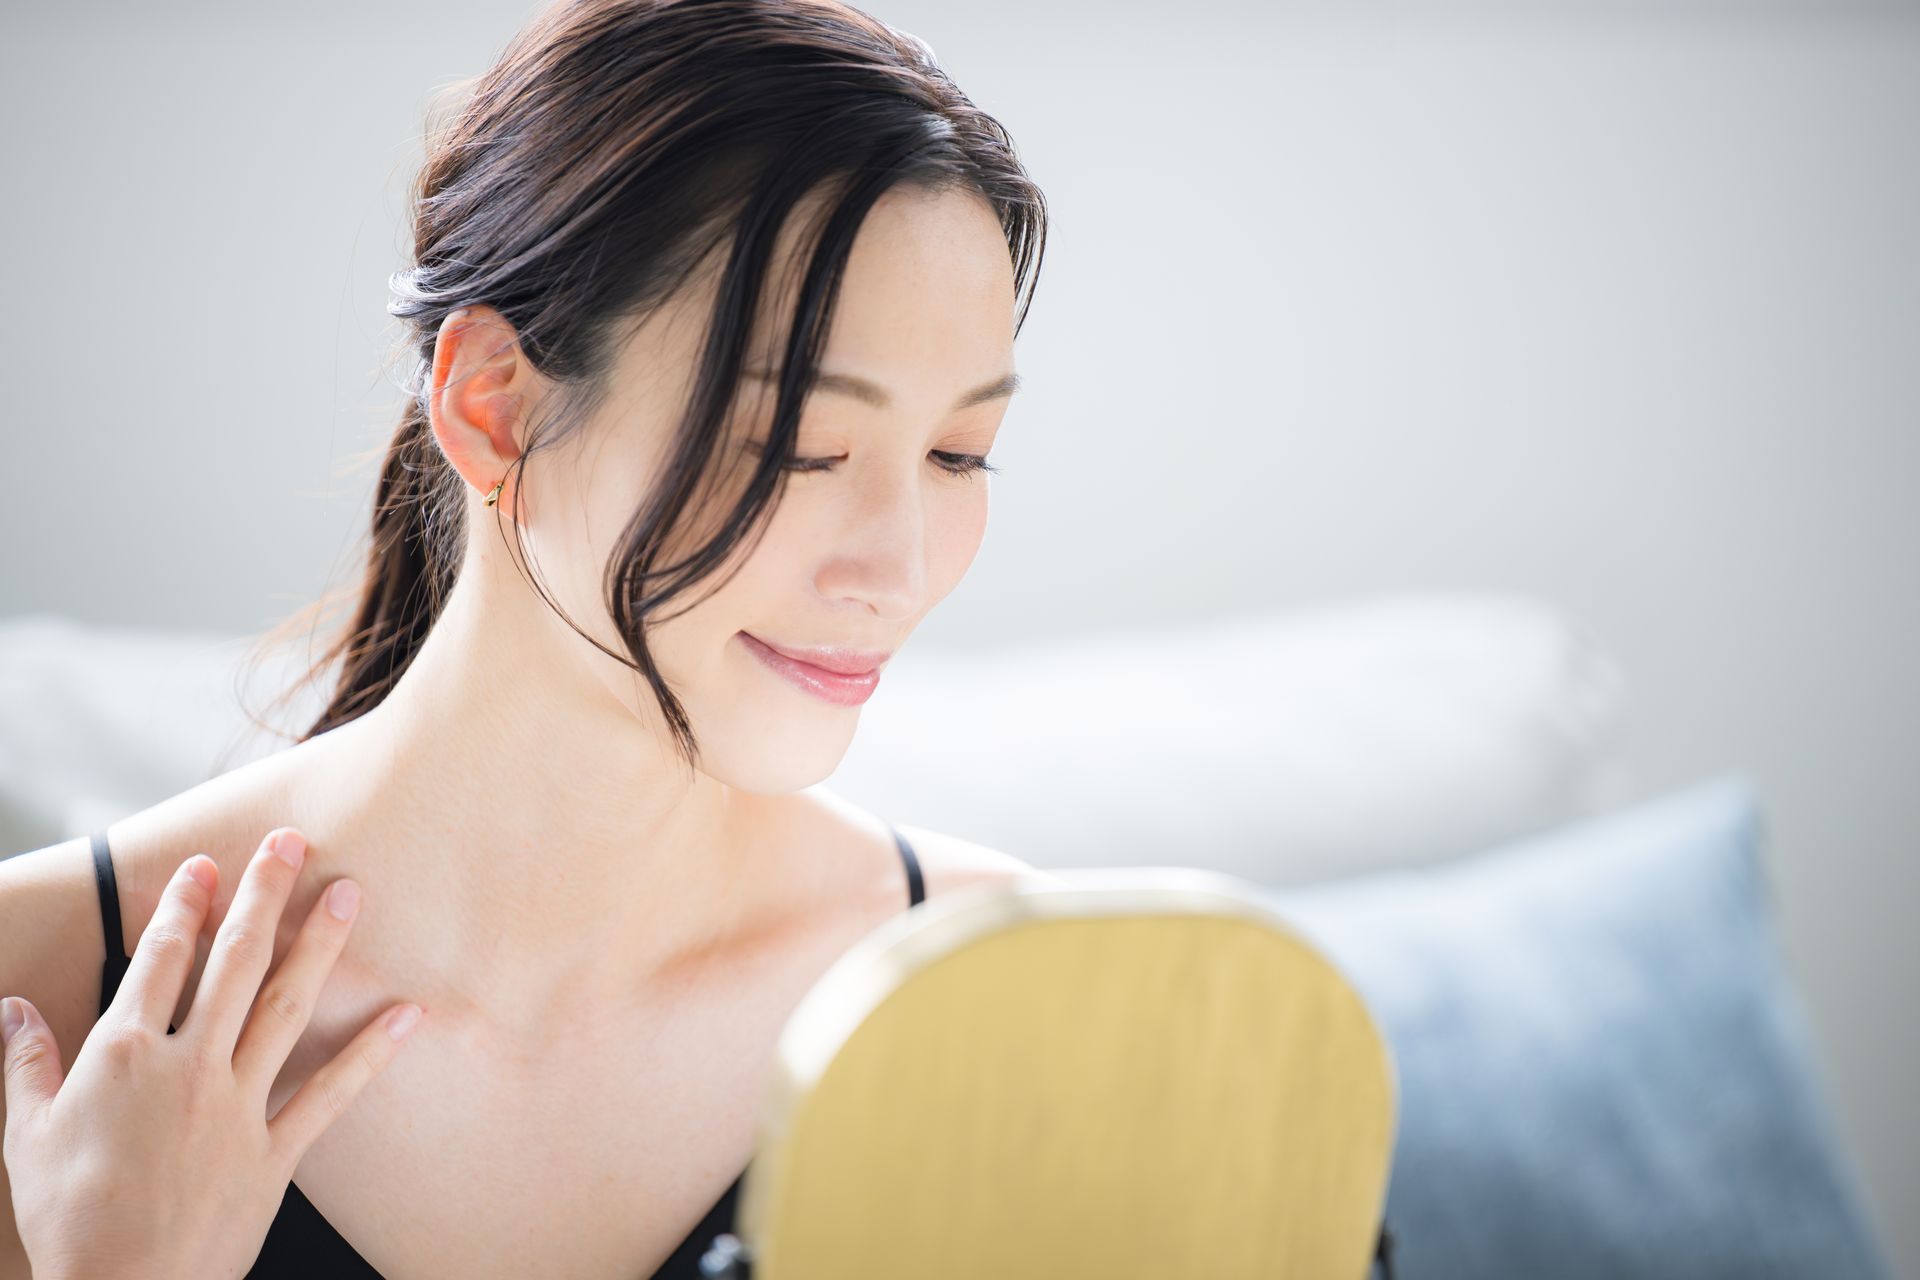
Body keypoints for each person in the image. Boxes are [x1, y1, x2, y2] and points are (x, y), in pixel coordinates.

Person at [0, 0, 1052, 1273]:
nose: (898, 568)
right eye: (803, 447)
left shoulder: (1018, 995)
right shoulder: (37, 992)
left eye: (958, 454)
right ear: (492, 406)